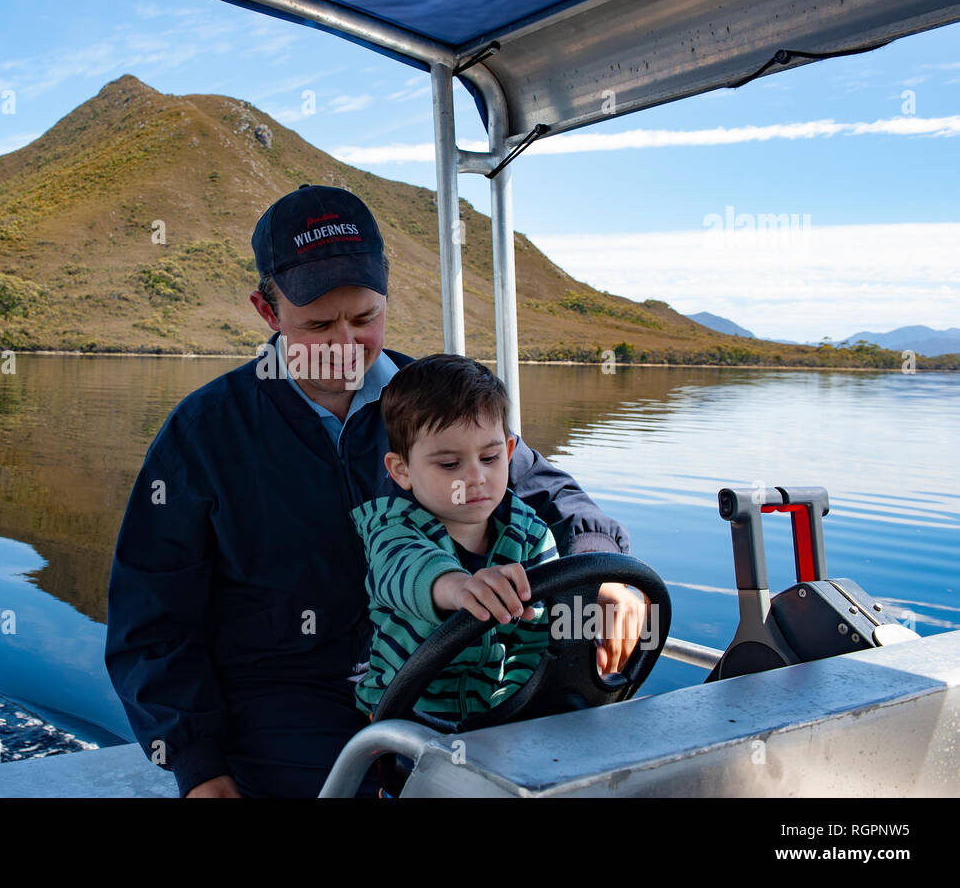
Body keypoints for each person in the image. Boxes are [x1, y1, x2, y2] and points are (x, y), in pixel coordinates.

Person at [104, 184, 644, 798]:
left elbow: (553, 494)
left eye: (364, 319)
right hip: (282, 700)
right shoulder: (202, 435)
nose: (343, 345)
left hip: (446, 672)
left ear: (386, 289)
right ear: (267, 310)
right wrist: (197, 763)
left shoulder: (437, 404)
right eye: (318, 324)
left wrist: (604, 569)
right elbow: (151, 621)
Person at [352, 353, 558, 721]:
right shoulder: (391, 527)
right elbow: (405, 569)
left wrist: (510, 712)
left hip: (490, 720)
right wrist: (458, 587)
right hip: (397, 721)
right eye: (450, 464)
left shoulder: (531, 535)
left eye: (490, 457)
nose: (476, 477)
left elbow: (535, 644)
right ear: (401, 470)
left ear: (509, 453)